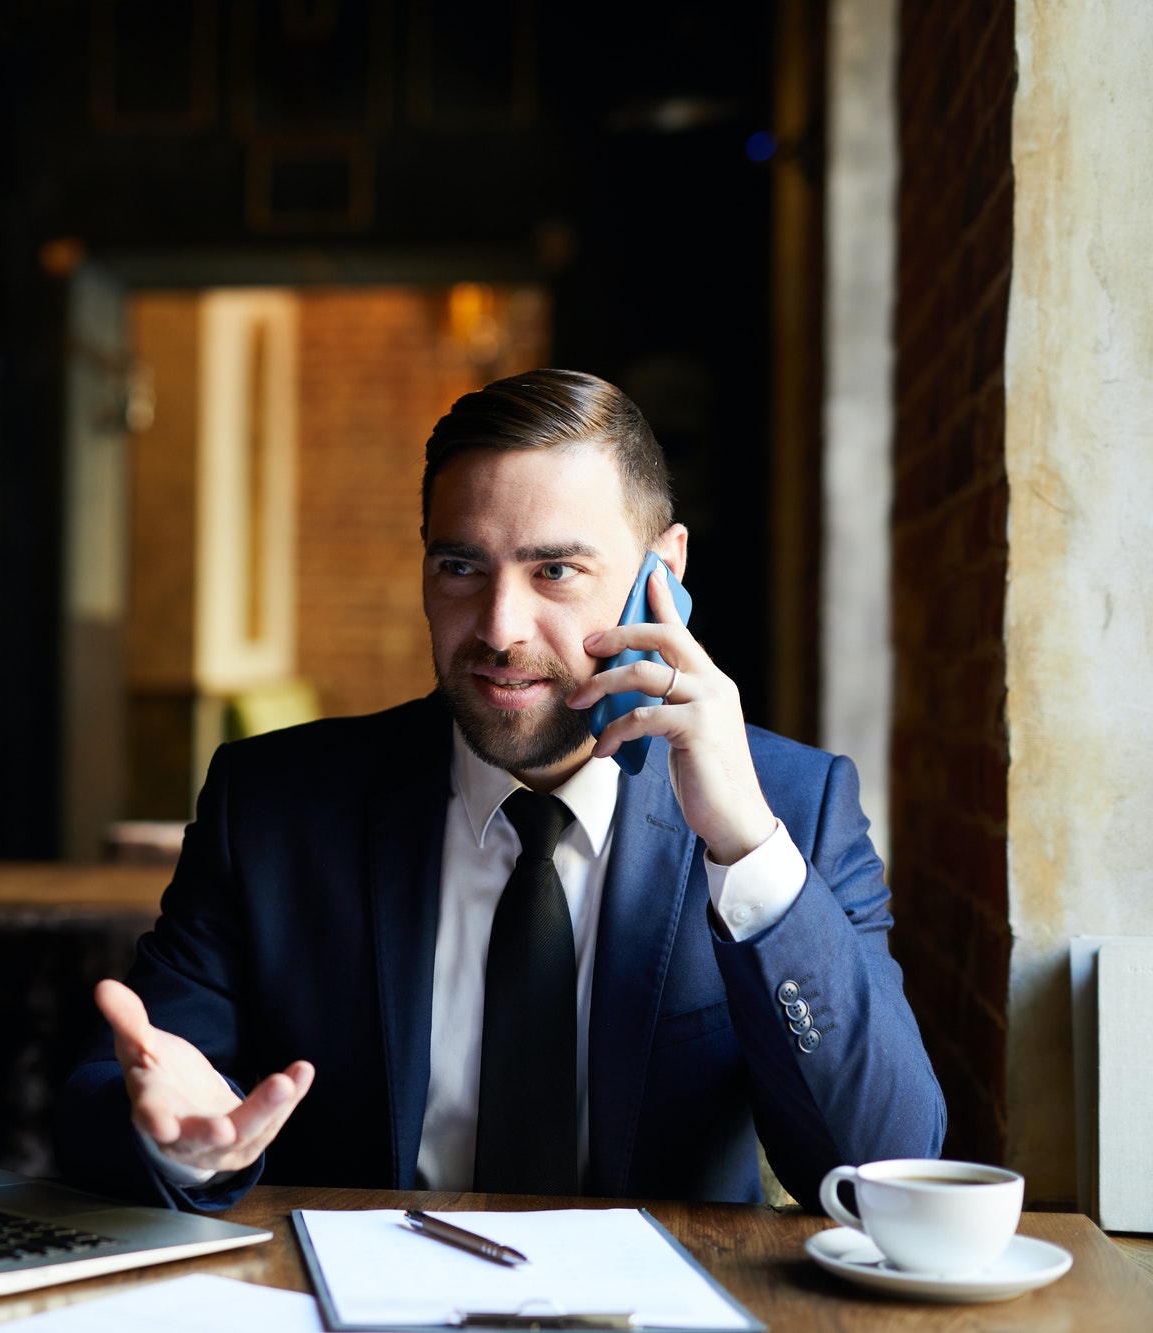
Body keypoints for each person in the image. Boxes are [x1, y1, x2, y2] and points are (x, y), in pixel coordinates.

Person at [54, 369, 944, 1211]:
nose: (500, 627)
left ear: (661, 572)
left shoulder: (793, 805)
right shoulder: (274, 805)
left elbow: (884, 1167)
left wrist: (745, 848)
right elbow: (115, 1092)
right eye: (461, 567)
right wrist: (183, 1144)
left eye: (554, 570)